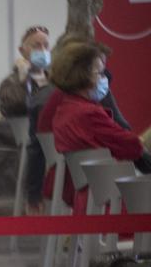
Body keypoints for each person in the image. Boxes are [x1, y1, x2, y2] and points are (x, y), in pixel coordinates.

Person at [48, 41, 150, 181]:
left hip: (90, 193)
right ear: (83, 75)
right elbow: (131, 147)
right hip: (115, 193)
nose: (105, 79)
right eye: (101, 73)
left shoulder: (64, 110)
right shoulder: (88, 113)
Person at [0, 26, 54, 212]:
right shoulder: (11, 82)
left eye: (46, 45)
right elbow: (12, 106)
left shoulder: (56, 79)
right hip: (33, 146)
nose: (43, 50)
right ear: (22, 51)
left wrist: (44, 80)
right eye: (36, 46)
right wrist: (25, 80)